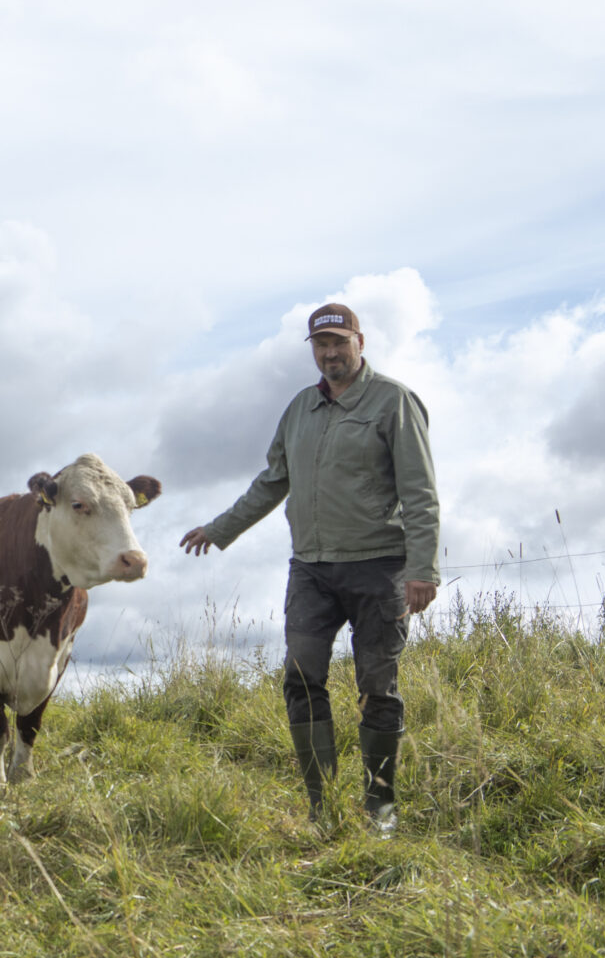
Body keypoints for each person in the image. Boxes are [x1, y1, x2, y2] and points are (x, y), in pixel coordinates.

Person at [180, 302, 439, 830]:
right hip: (313, 570)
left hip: (379, 567)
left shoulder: (394, 402)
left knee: (377, 686)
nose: (330, 354)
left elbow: (420, 492)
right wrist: (219, 528)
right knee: (300, 677)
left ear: (360, 342)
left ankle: (380, 808)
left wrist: (423, 568)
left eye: (339, 343)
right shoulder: (300, 409)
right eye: (321, 346)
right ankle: (321, 809)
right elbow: (273, 480)